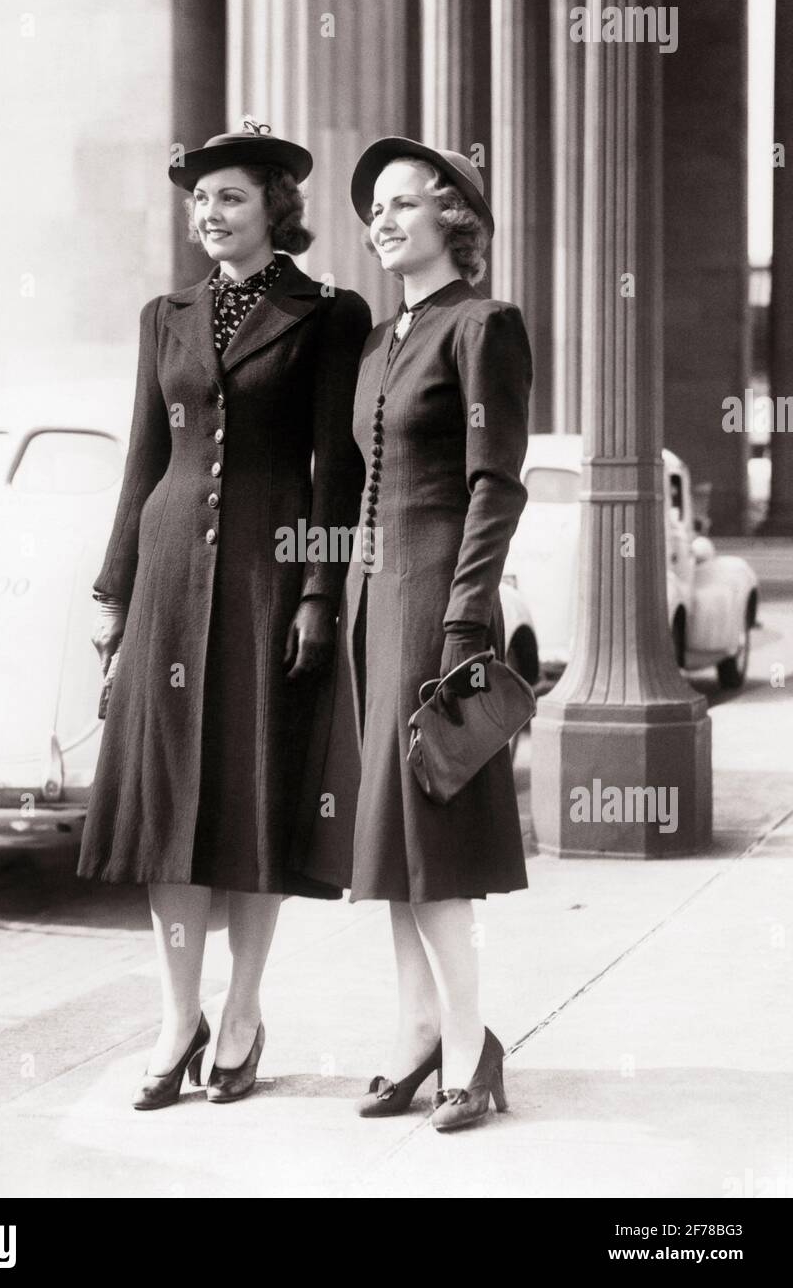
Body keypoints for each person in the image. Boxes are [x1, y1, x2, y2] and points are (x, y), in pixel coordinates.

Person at [77, 120, 371, 1110]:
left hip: (269, 573)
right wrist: (111, 595)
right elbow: (141, 461)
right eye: (200, 199)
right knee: (167, 808)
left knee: (252, 798)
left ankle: (241, 1012)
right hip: (166, 573)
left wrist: (322, 592)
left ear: (274, 209)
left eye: (231, 197)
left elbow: (340, 468)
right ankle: (176, 1017)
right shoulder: (164, 314)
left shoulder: (328, 313)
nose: (211, 213)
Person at [313, 137, 532, 1132]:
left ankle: (469, 1047)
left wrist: (464, 612)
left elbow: (495, 482)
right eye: (374, 209)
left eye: (404, 203)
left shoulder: (484, 328)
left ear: (454, 219)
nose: (382, 221)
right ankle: (414, 1033)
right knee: (392, 845)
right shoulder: (375, 343)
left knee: (433, 835)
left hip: (434, 595)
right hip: (375, 602)